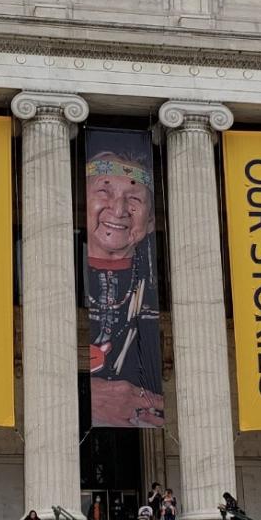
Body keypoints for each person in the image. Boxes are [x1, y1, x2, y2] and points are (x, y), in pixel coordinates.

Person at [84, 147, 164, 428]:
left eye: (134, 199)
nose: (118, 210)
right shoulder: (51, 274)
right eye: (104, 192)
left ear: (151, 221)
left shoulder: (155, 286)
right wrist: (83, 397)